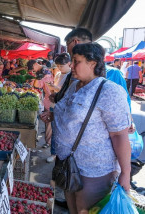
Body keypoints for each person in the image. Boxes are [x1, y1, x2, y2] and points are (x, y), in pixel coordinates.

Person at [54, 43, 131, 213]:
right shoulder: (75, 85)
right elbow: (69, 114)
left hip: (93, 170)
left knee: (85, 209)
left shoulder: (109, 91)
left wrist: (126, 172)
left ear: (93, 63)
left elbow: (119, 135)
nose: (71, 66)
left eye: (76, 61)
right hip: (69, 165)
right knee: (73, 209)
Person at [44, 53, 72, 163]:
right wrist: (51, 89)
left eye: (61, 66)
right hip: (53, 105)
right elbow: (55, 90)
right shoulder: (58, 74)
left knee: (61, 132)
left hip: (62, 108)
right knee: (54, 131)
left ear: (69, 64)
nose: (59, 68)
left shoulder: (71, 77)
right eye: (58, 66)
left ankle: (61, 155)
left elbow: (65, 93)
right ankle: (54, 153)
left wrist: (54, 88)